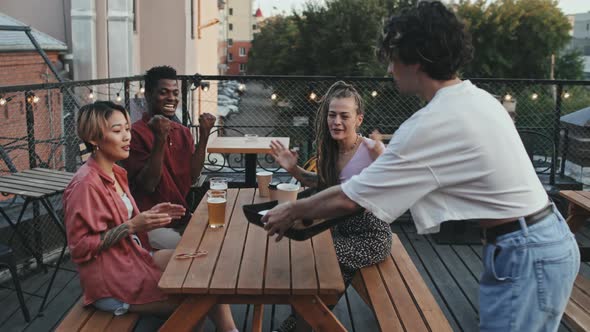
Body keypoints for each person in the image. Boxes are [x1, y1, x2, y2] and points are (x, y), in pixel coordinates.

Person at [262, 2, 580, 332]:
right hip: (539, 240)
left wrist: (291, 212)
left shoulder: (430, 124)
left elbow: (350, 198)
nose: (389, 70)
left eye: (393, 58)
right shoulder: (476, 98)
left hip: (525, 253)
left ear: (416, 60)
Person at [64, 101, 237, 331]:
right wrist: (133, 225)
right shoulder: (85, 184)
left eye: (127, 128)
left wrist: (148, 216)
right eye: (117, 131)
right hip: (111, 282)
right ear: (93, 138)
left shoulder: (115, 172)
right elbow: (79, 248)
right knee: (197, 298)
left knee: (205, 266)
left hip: (135, 259)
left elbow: (124, 221)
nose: (127, 136)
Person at [270, 81, 391, 331]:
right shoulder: (330, 150)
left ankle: (301, 324)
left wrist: (387, 167)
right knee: (307, 260)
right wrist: (293, 169)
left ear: (358, 119)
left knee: (319, 262)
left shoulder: (372, 151)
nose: (336, 121)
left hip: (370, 235)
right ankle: (304, 321)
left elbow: (389, 192)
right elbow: (324, 185)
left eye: (344, 116)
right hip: (337, 228)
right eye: (332, 115)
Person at [122, 65, 216, 249]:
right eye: (163, 92)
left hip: (181, 217)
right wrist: (160, 139)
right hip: (151, 222)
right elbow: (148, 185)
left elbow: (192, 176)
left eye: (175, 93)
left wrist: (204, 135)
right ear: (148, 95)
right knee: (194, 250)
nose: (171, 98)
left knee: (217, 239)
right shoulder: (134, 134)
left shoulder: (183, 132)